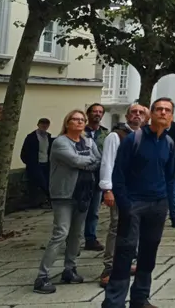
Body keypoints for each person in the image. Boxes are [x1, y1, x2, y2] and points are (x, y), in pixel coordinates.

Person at [101, 98, 175, 308]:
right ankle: (113, 302)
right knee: (125, 254)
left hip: (158, 205)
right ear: (150, 114)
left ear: (171, 116)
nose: (163, 112)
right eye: (159, 109)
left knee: (148, 253)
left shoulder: (169, 144)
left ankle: (140, 298)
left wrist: (167, 203)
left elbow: (170, 176)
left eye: (167, 110)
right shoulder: (133, 140)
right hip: (134, 204)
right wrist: (126, 205)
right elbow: (119, 175)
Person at [34, 110, 101, 294]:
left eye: (82, 120)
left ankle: (69, 269)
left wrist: (87, 161)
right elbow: (74, 160)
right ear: (68, 122)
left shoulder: (88, 141)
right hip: (64, 194)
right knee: (61, 233)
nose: (79, 122)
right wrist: (89, 161)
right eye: (76, 119)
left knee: (76, 234)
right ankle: (42, 277)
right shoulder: (60, 142)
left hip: (84, 193)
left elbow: (98, 160)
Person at [98, 104, 146, 288]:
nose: (137, 115)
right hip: (121, 189)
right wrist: (107, 189)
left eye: (141, 113)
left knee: (134, 227)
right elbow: (107, 162)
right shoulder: (115, 136)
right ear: (127, 116)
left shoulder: (144, 135)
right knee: (117, 226)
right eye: (134, 112)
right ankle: (109, 267)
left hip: (140, 190)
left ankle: (126, 261)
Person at [84, 103, 109, 251]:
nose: (97, 114)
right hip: (81, 176)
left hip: (98, 177)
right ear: (88, 114)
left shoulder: (106, 134)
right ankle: (72, 238)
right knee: (79, 210)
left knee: (94, 210)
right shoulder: (80, 131)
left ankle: (90, 238)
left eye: (100, 112)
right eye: (94, 111)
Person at [21, 118, 53, 203]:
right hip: (36, 165)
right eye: (42, 124)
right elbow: (24, 152)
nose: (44, 126)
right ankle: (50, 200)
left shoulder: (48, 137)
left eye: (46, 124)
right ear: (38, 125)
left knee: (48, 182)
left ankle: (46, 201)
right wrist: (31, 163)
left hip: (46, 164)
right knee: (42, 183)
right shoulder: (31, 137)